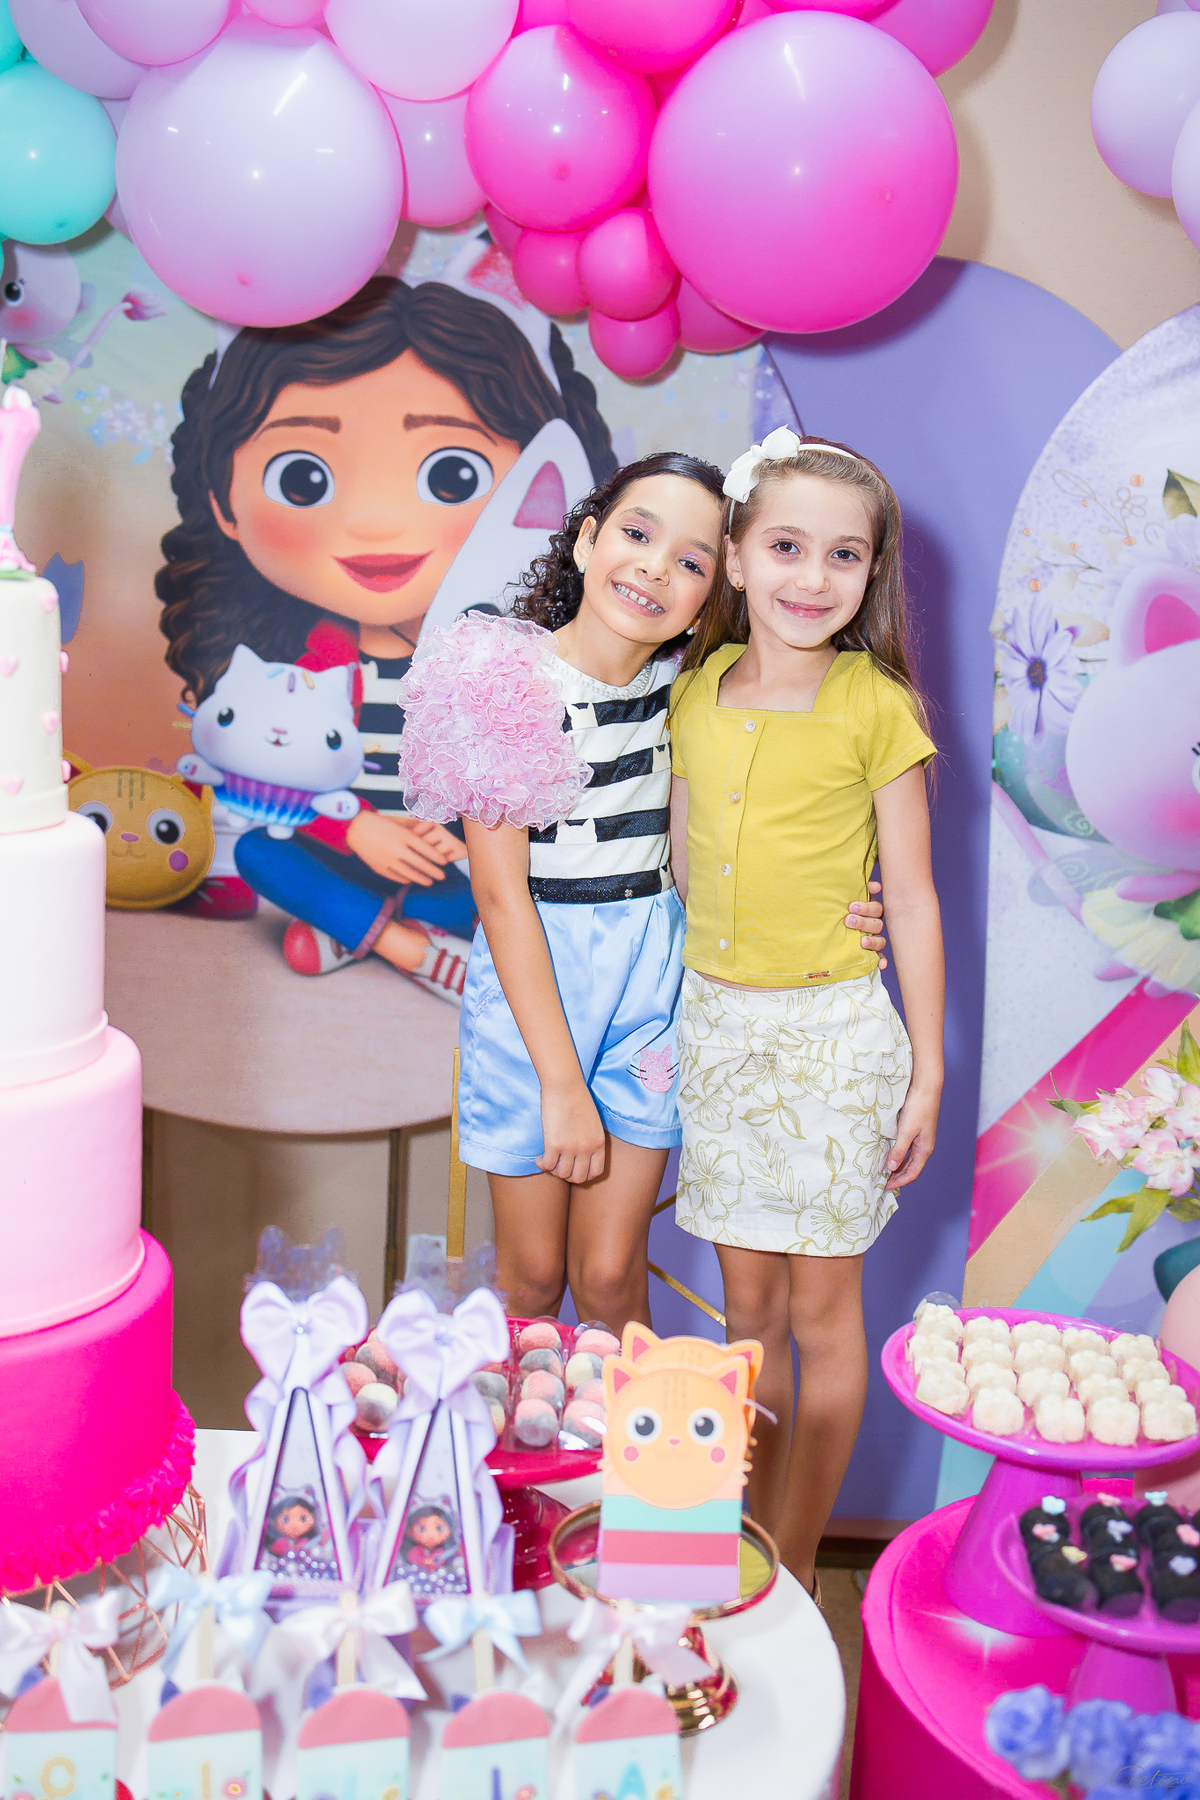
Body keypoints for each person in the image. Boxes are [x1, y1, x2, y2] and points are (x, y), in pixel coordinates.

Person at [398, 450, 888, 1335]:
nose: (657, 568)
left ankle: (629, 1434)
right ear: (587, 541)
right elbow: (502, 900)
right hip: (537, 987)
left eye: (691, 560)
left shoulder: (694, 690)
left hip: (655, 987)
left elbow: (755, 829)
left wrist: (848, 905)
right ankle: (520, 1430)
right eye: (636, 533)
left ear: (718, 583)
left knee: (610, 1273)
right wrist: (561, 1084)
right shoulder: (500, 683)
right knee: (532, 1279)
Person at [157, 246, 614, 1003]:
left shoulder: (494, 658)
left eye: (452, 475)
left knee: (516, 889)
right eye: (303, 477)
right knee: (267, 855)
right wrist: (357, 830)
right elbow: (279, 786)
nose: (374, 521)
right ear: (222, 502)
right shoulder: (305, 670)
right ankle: (412, 950)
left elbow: (528, 775)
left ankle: (355, 929)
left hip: (456, 864)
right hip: (353, 851)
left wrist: (461, 839)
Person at [669, 430, 945, 1600]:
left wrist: (927, 1072)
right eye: (785, 546)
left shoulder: (876, 704)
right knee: (749, 1311)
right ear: (734, 558)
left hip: (834, 1042)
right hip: (717, 1036)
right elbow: (685, 866)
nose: (812, 576)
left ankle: (794, 1564)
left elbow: (913, 896)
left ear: (870, 572)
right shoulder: (692, 693)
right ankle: (738, 1547)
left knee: (826, 1314)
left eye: (844, 554)